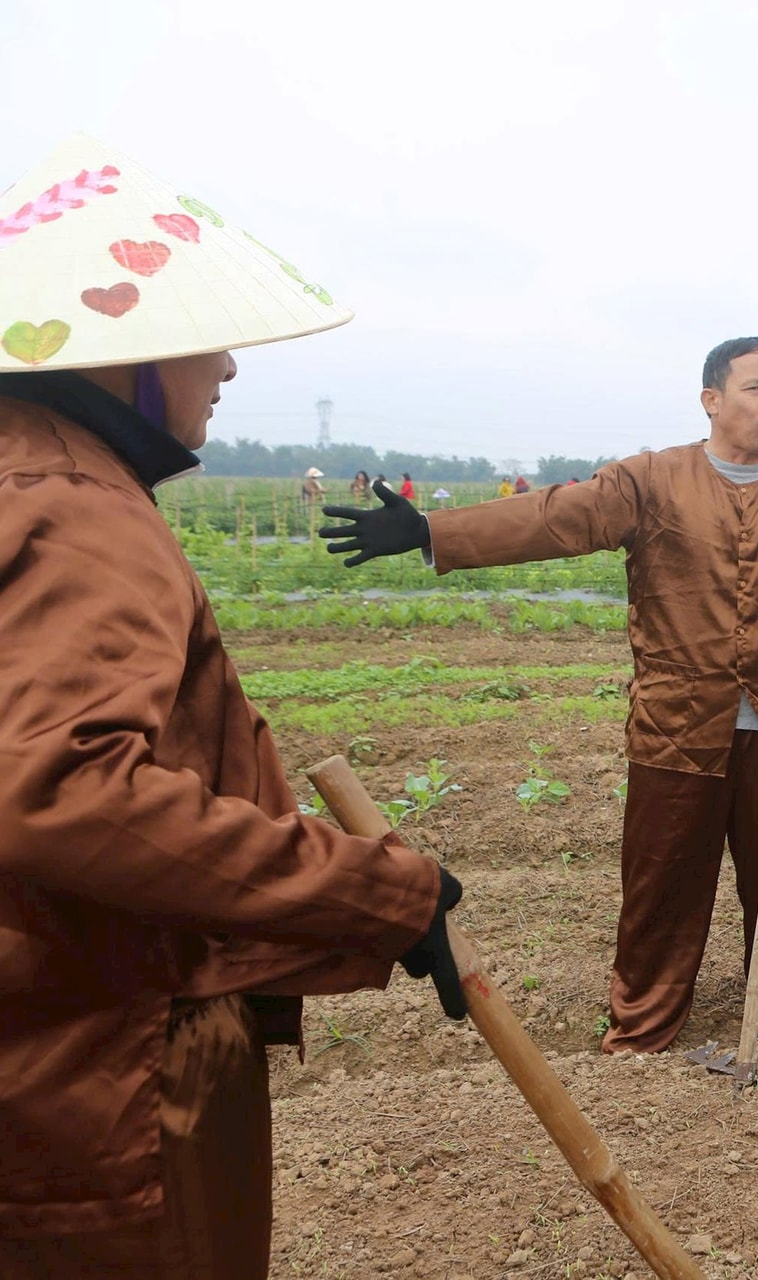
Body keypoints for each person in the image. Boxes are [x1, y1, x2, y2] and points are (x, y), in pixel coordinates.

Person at [0, 133, 457, 1280]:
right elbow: (63, 786)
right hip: (97, 1057)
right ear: (124, 360)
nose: (230, 374)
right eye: (208, 344)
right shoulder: (77, 504)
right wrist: (372, 887)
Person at [321, 337, 758, 1054]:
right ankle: (644, 1026)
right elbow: (551, 517)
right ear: (711, 399)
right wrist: (429, 529)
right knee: (662, 885)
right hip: (677, 722)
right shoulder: (650, 480)